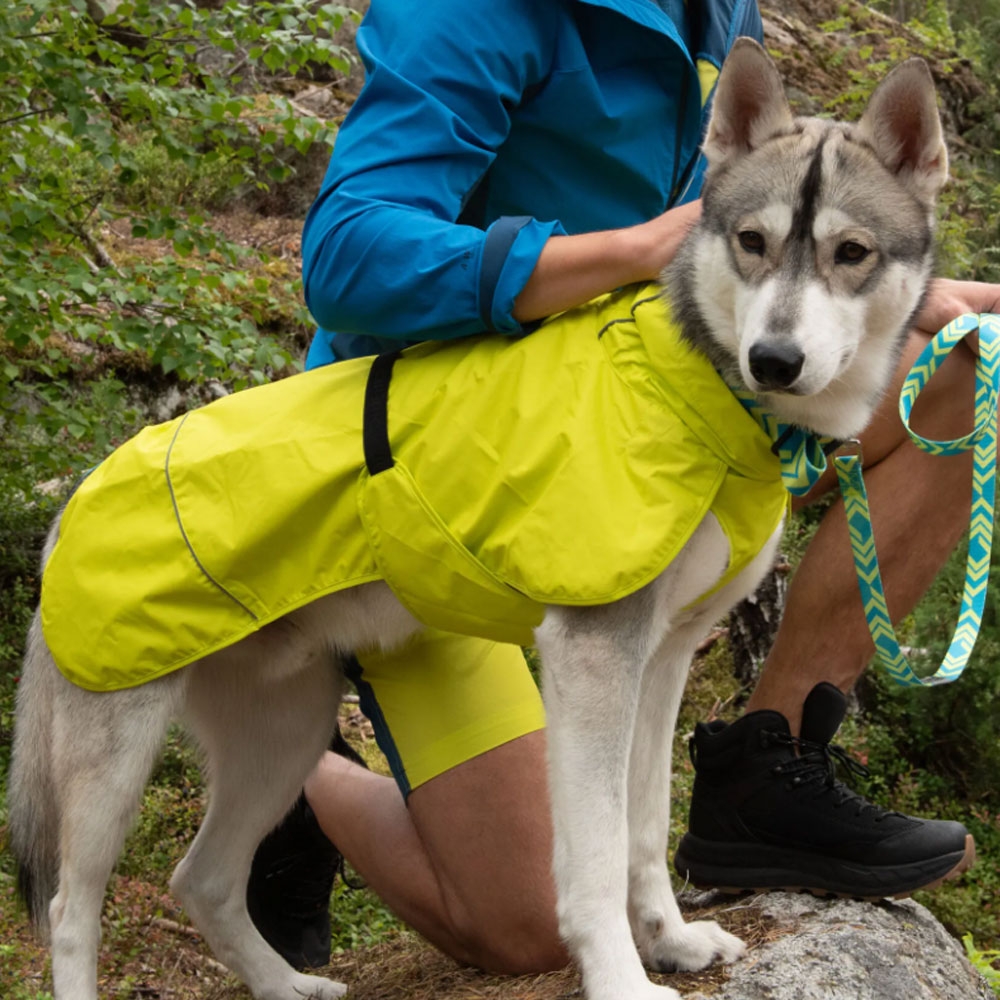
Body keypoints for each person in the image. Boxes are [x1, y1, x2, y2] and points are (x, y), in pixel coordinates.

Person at [245, 0, 1000, 976]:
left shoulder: (723, 13)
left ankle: (765, 767)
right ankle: (297, 770)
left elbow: (764, 221)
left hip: (639, 421)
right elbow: (347, 252)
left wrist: (883, 295)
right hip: (442, 472)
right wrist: (634, 250)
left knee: (971, 366)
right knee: (529, 925)